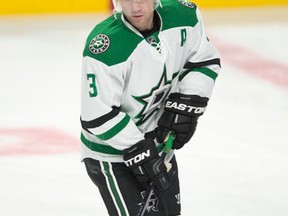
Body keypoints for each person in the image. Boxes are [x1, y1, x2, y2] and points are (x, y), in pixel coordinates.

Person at [80, 0, 221, 215]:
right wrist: (139, 149)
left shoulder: (184, 16)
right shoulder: (105, 46)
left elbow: (203, 61)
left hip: (159, 143)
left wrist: (187, 103)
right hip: (112, 154)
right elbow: (97, 114)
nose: (136, 8)